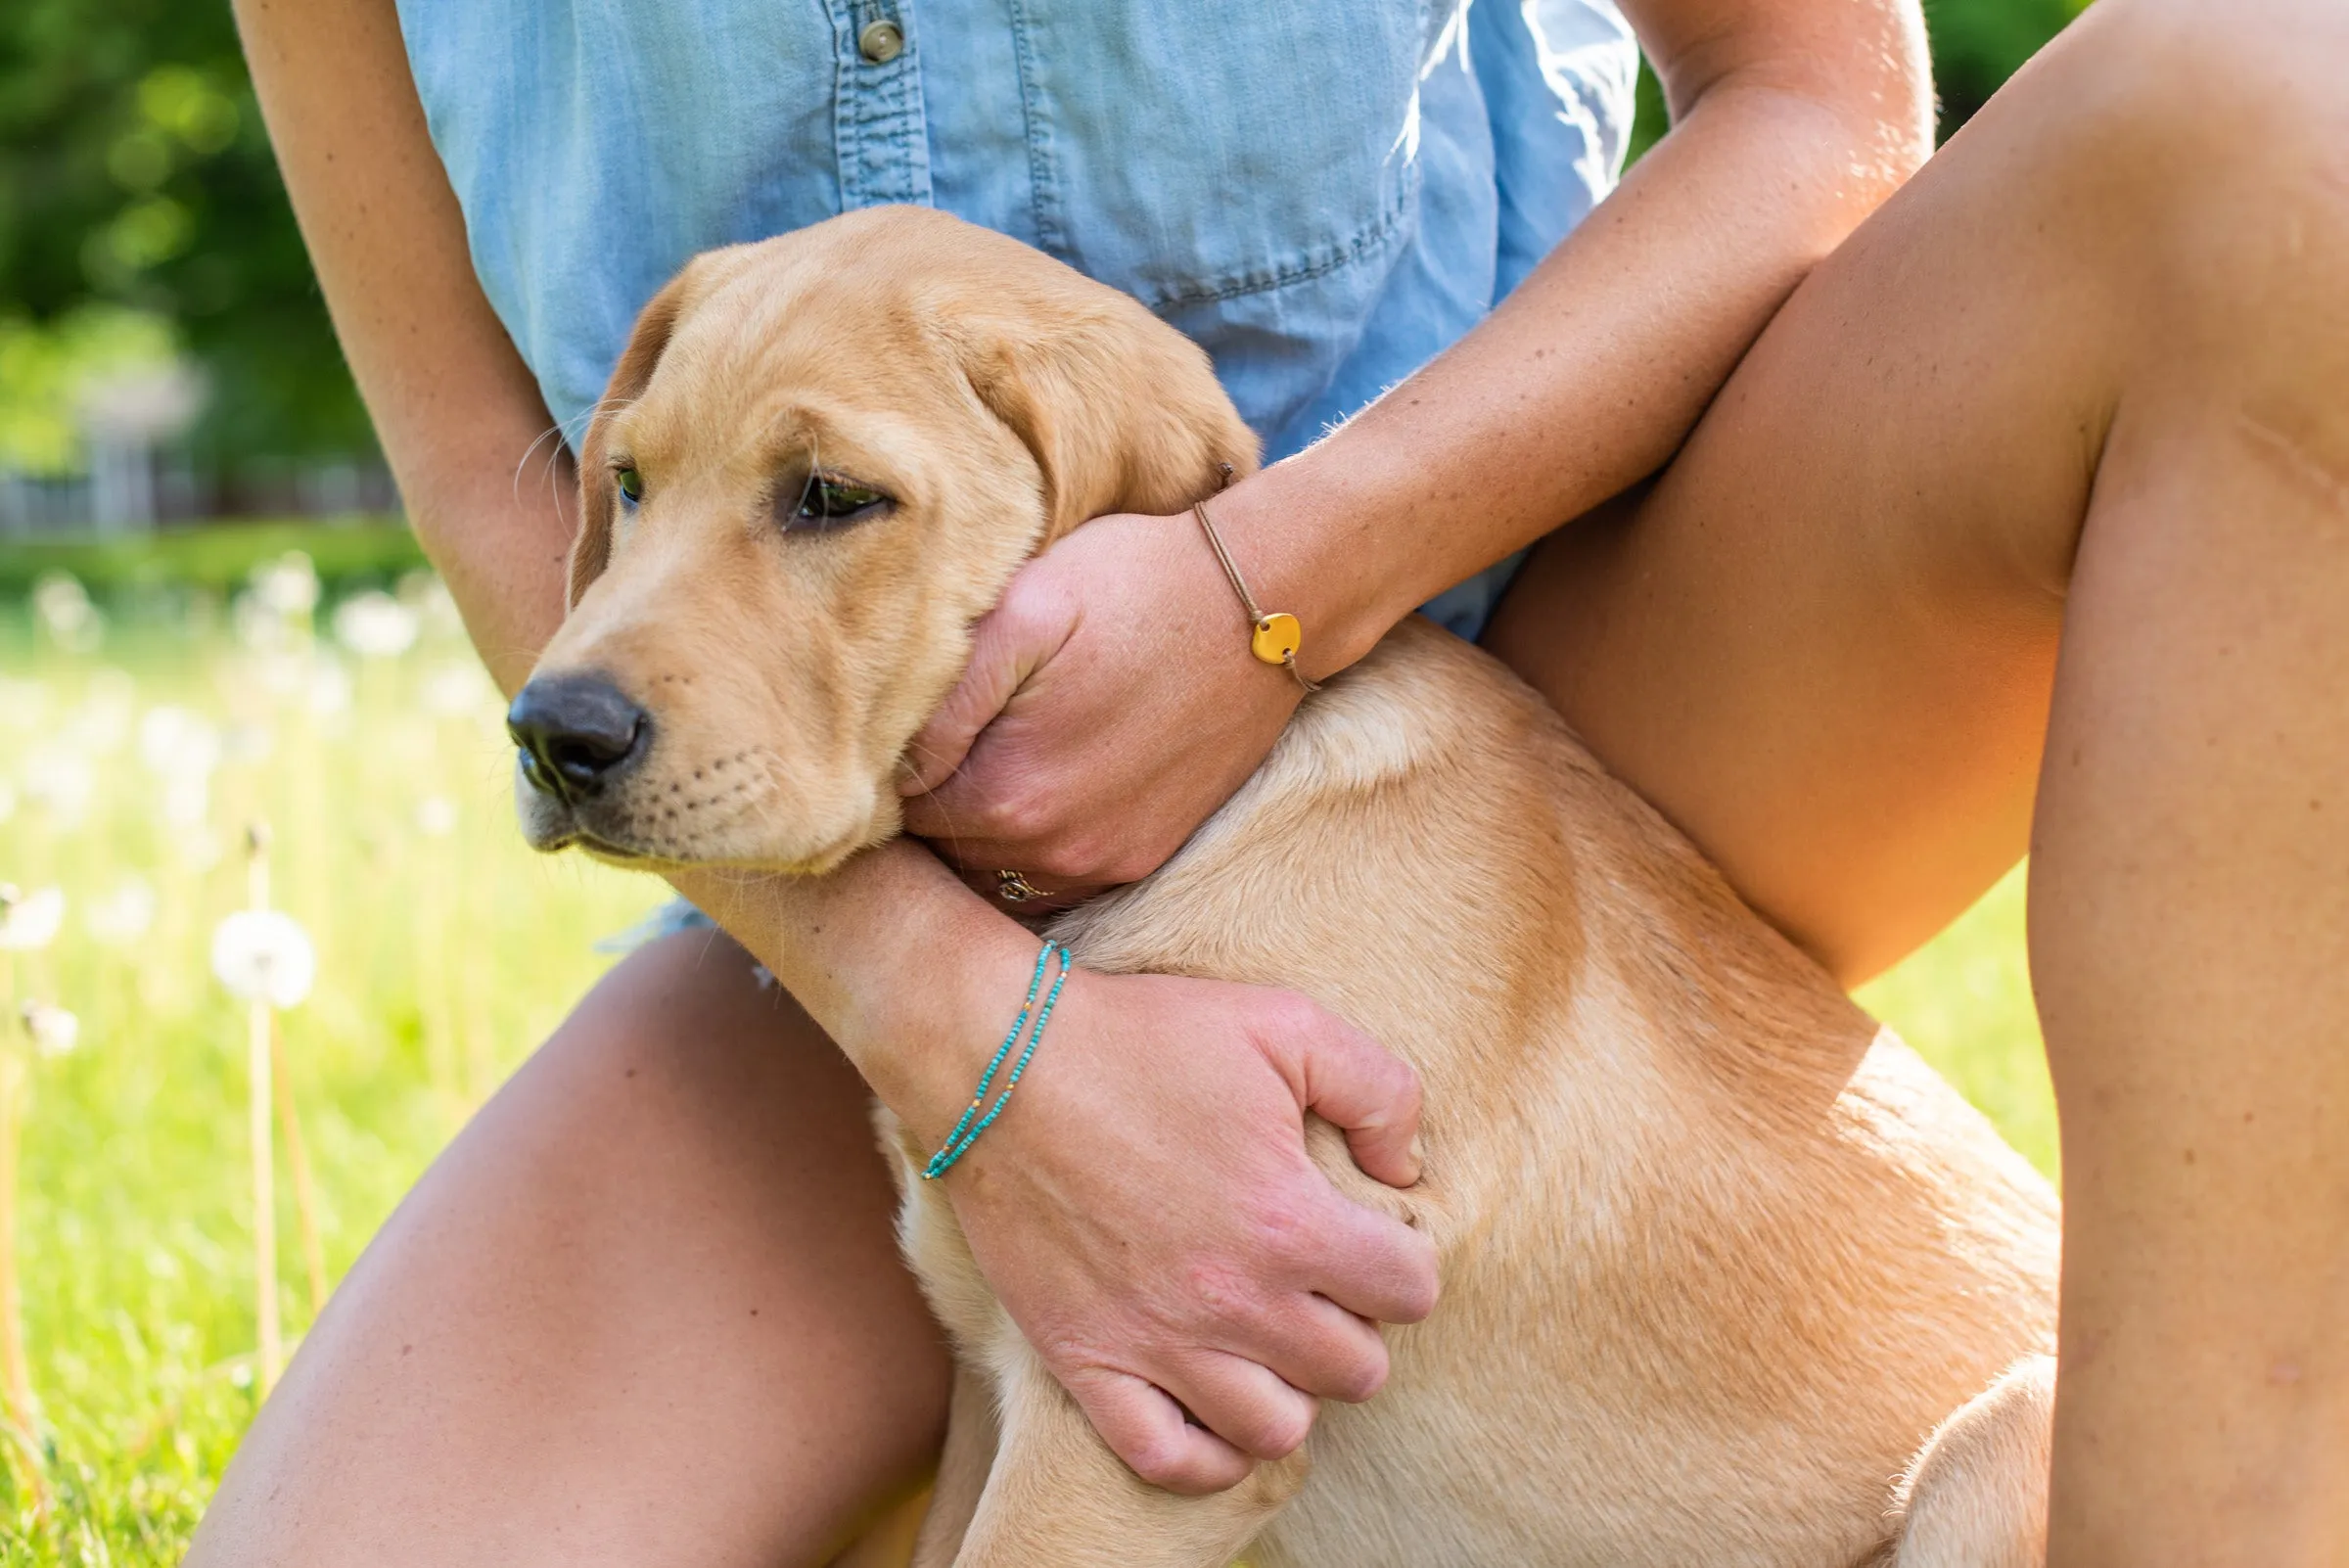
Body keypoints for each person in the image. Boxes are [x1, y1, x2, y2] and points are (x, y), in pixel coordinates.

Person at [196, 0, 2348, 1560]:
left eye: (824, 498)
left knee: (2284, 106)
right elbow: (504, 469)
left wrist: (1263, 589)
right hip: (867, 895)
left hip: (1566, 646)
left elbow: (1820, 101)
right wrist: (958, 1033)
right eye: (648, 509)